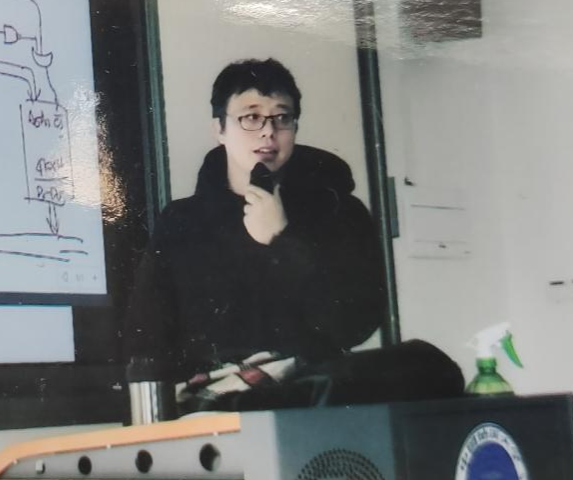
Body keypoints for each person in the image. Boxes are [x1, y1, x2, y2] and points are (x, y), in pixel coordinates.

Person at [123, 58, 389, 409]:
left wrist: (281, 242)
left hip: (309, 396)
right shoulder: (182, 220)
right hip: (212, 400)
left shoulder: (341, 211)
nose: (268, 132)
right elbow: (146, 337)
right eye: (251, 117)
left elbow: (354, 326)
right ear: (219, 129)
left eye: (282, 118)